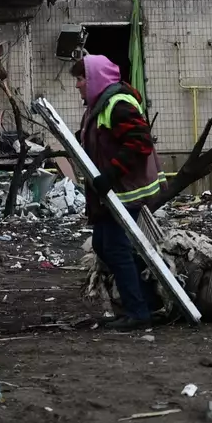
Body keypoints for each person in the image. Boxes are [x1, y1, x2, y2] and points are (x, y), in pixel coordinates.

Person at [73, 54, 162, 330]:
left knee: (115, 247)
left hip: (125, 190)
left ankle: (139, 311)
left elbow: (138, 141)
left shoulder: (117, 104)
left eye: (81, 78)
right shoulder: (99, 105)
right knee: (105, 245)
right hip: (112, 192)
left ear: (95, 78)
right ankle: (148, 302)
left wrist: (111, 173)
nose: (77, 85)